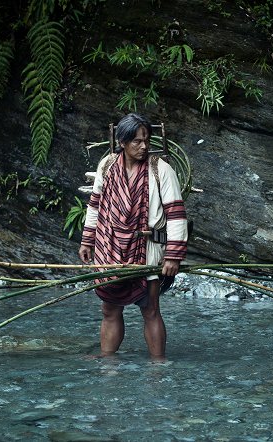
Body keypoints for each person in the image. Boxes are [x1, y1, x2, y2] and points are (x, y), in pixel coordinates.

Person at [78, 113, 188, 360]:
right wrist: (87, 240)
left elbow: (176, 215)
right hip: (110, 249)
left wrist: (173, 256)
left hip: (146, 249)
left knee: (150, 309)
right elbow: (95, 205)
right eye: (137, 141)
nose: (144, 146)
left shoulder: (161, 170)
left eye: (146, 140)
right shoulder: (107, 165)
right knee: (109, 309)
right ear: (122, 142)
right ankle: (108, 362)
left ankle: (158, 366)